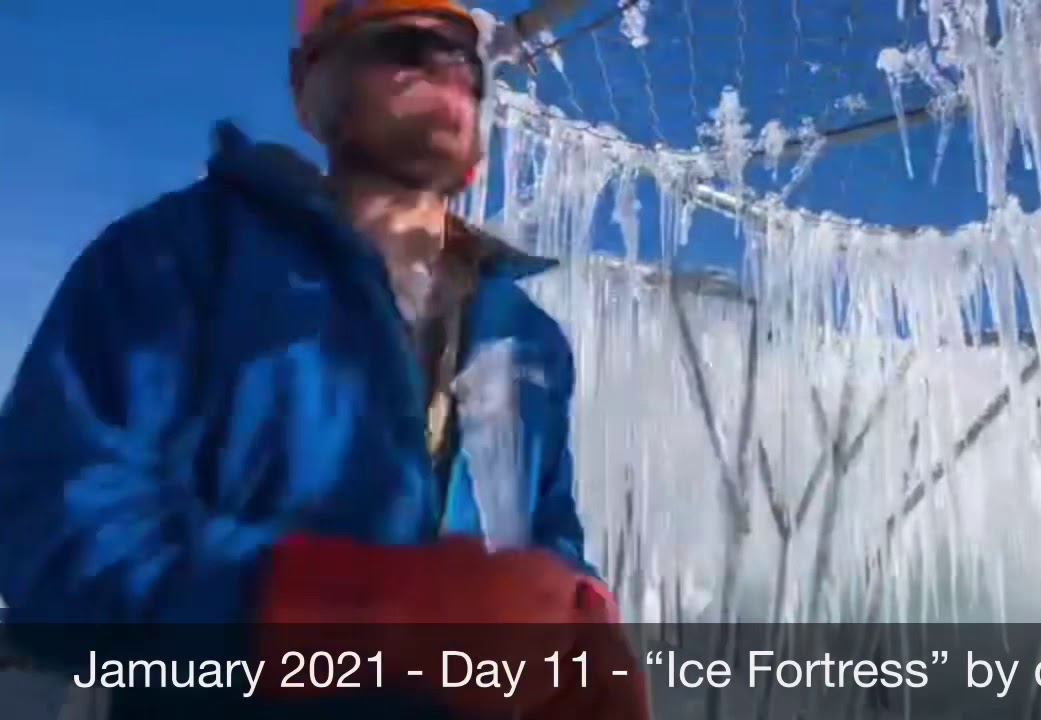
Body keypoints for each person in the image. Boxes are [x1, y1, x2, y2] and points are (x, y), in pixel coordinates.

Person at [0, 1, 647, 718]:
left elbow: (546, 528)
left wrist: (584, 618)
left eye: (465, 57)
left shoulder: (527, 339)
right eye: (404, 45)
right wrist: (358, 613)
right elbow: (51, 538)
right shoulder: (177, 262)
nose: (445, 71)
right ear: (311, 79)